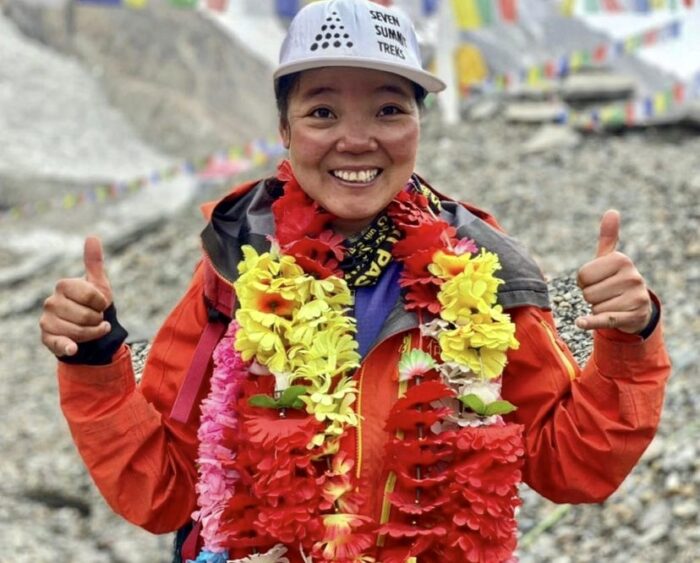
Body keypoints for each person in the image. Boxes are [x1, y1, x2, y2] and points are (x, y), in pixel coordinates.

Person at [39, 1, 670, 562]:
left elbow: (573, 468)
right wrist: (96, 358)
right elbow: (164, 490)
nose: (357, 138)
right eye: (322, 111)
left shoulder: (484, 269)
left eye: (389, 109)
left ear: (419, 127)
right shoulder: (237, 268)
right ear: (286, 133)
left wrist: (630, 339)